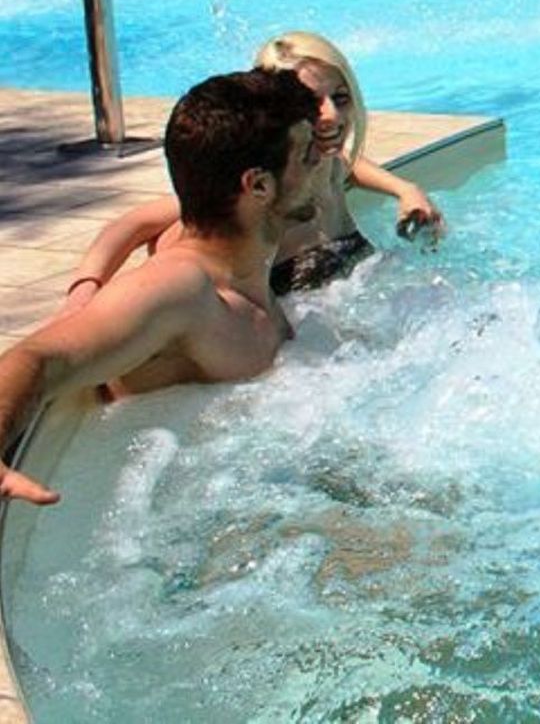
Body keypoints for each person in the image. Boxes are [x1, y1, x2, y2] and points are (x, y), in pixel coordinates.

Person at [0, 70, 324, 505]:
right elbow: (38, 359)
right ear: (259, 186)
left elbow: (133, 222)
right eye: (306, 155)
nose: (319, 163)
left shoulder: (241, 264)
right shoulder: (179, 287)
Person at [62, 31, 443, 309]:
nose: (331, 115)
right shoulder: (267, 189)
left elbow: (348, 164)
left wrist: (405, 189)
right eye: (312, 102)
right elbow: (134, 225)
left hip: (353, 299)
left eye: (341, 99)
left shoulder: (323, 162)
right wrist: (85, 291)